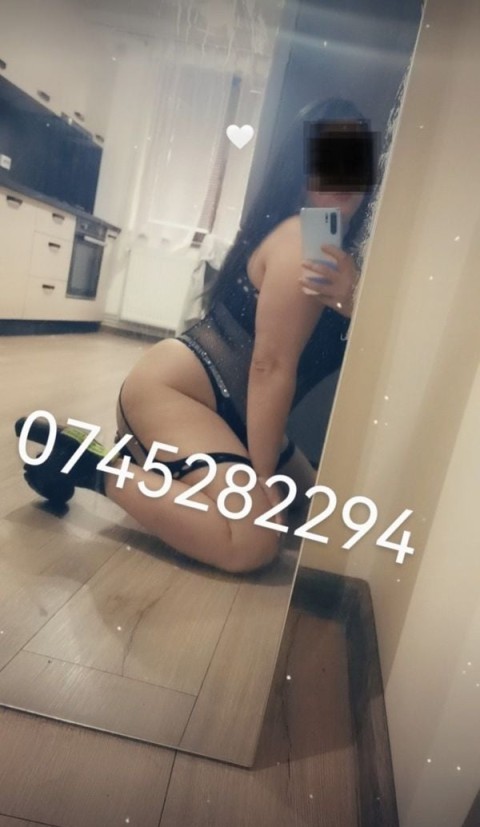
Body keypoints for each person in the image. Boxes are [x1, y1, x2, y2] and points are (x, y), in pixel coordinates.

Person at [15, 97, 376, 574]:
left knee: (317, 519)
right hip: (174, 394)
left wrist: (356, 300)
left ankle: (155, 462)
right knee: (252, 541)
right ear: (302, 168)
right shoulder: (302, 242)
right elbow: (269, 367)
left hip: (232, 413)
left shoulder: (336, 248)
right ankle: (93, 465)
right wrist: (262, 479)